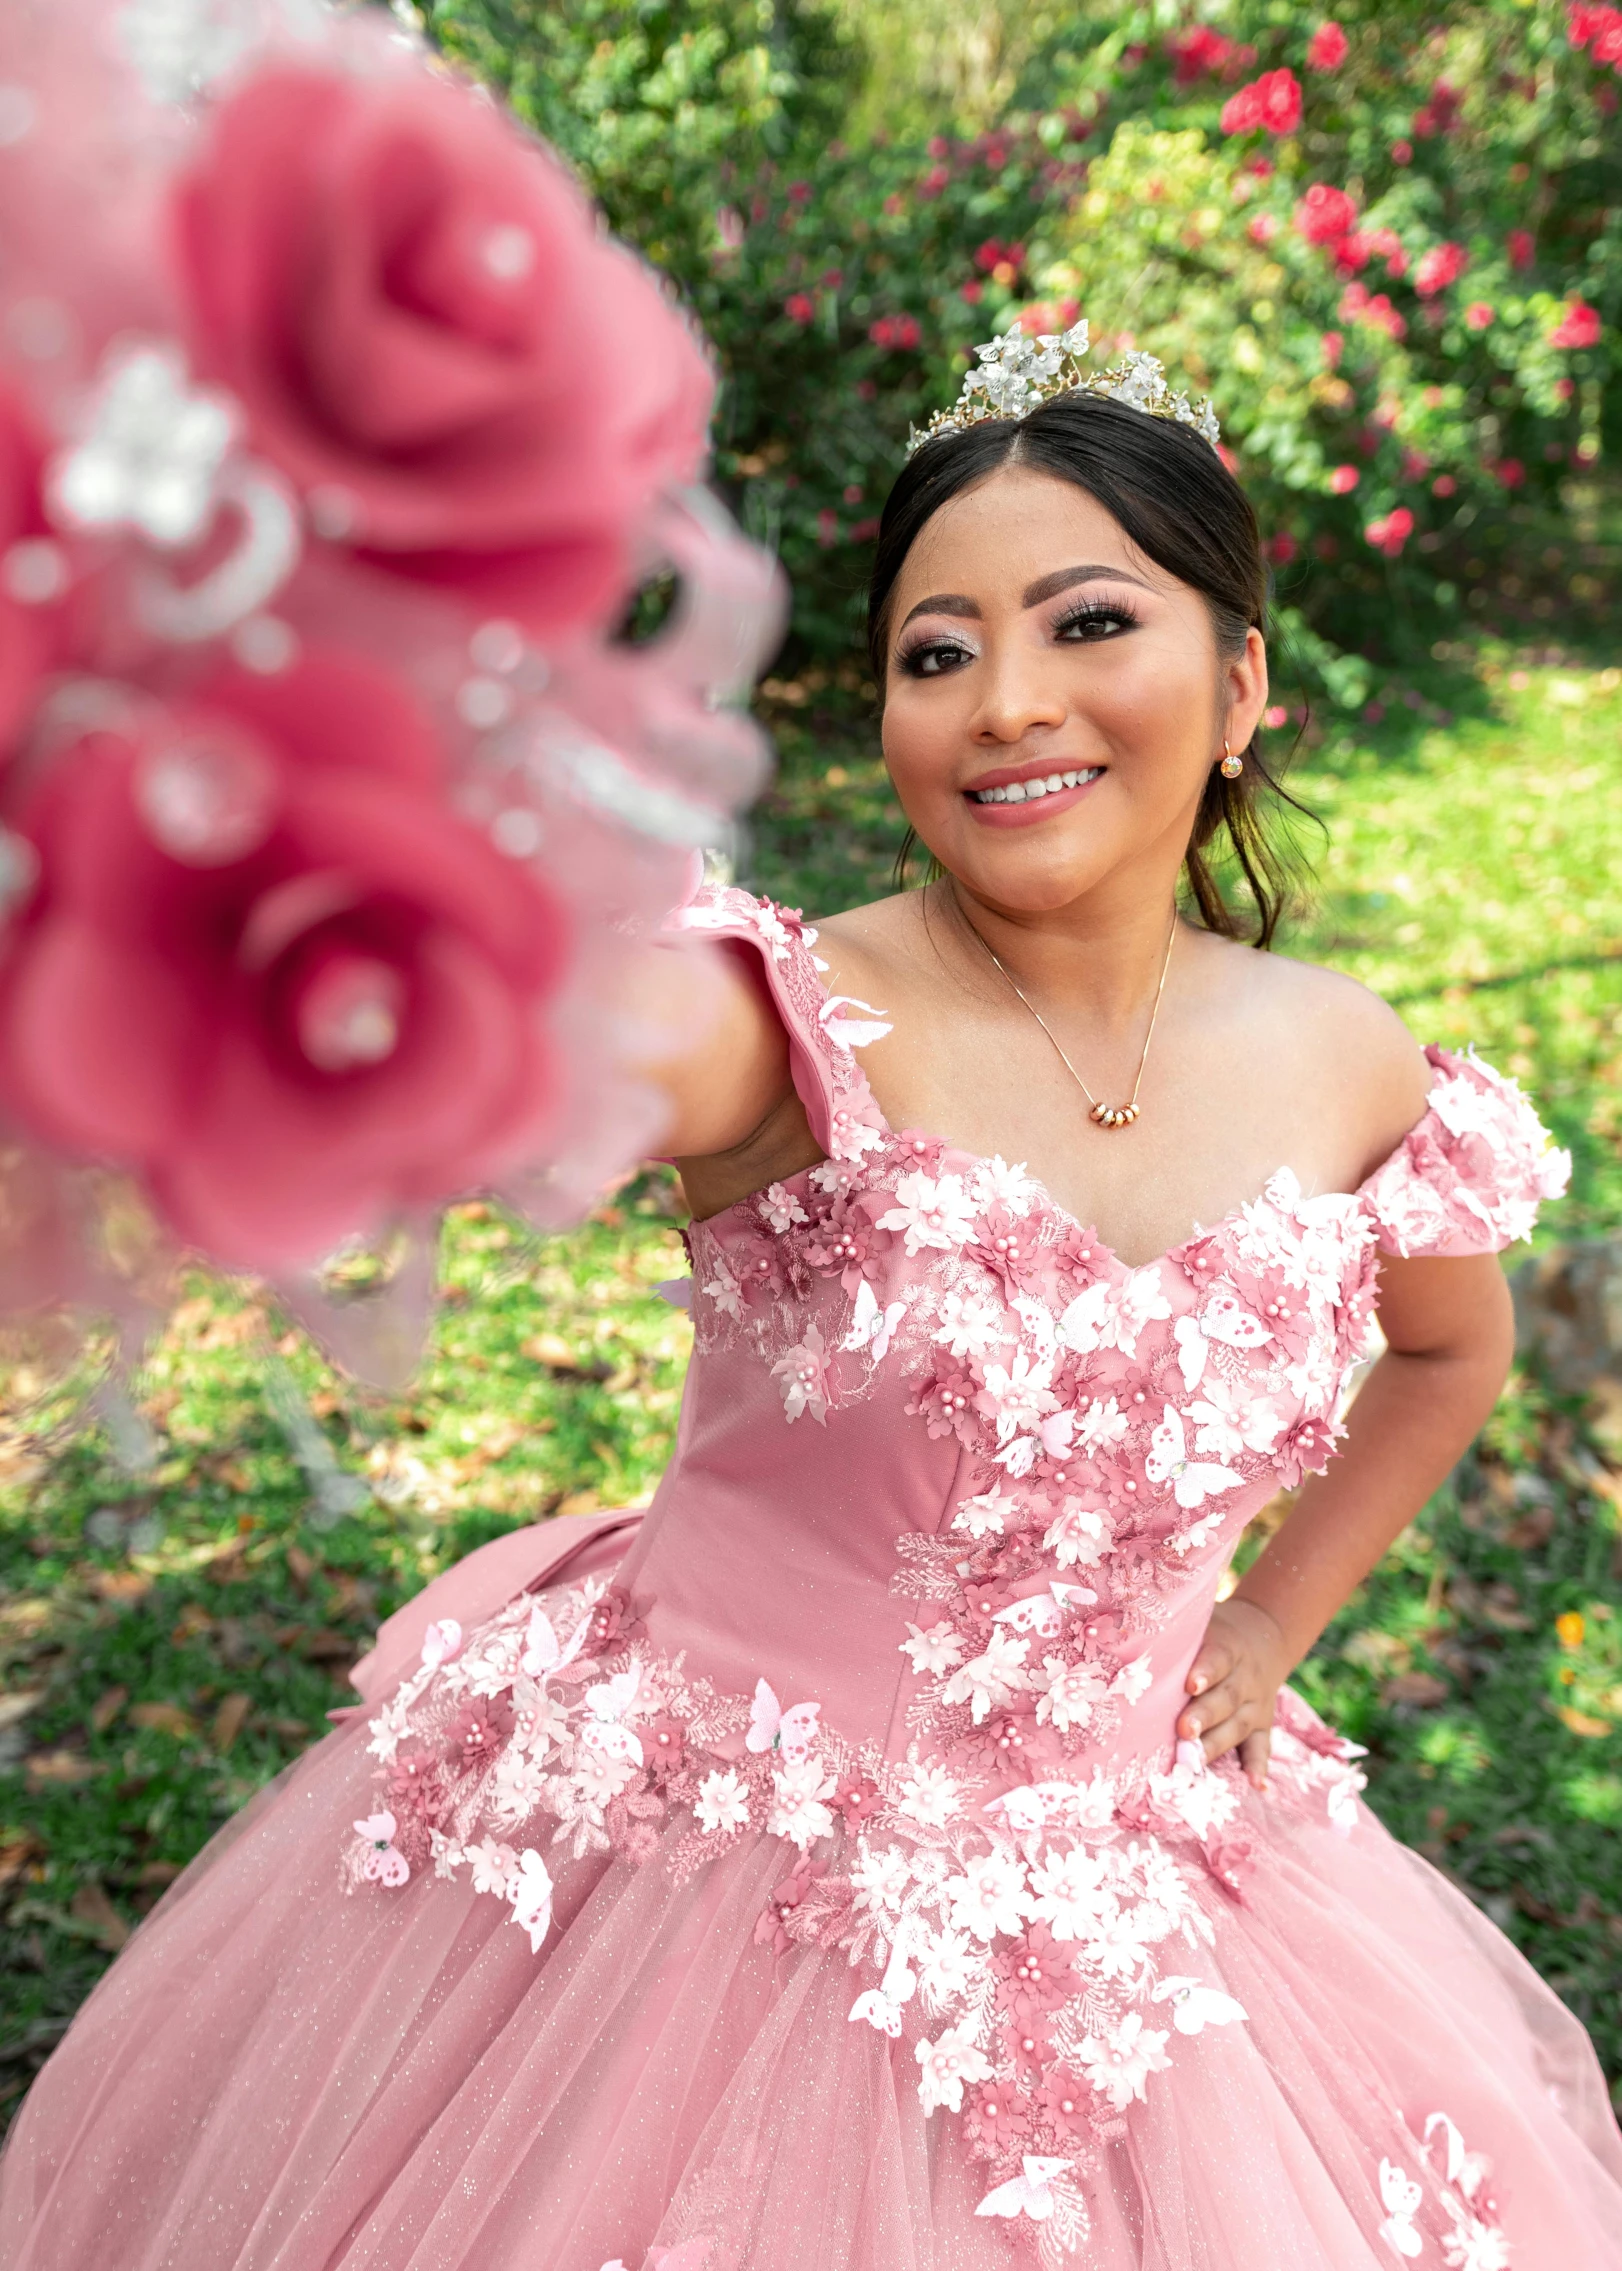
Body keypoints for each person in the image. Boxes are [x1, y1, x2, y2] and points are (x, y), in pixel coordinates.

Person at [2, 335, 1618, 2271]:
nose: (1006, 702)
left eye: (1085, 620)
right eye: (935, 653)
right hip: (695, 1897)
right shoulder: (772, 1012)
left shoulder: (1348, 1060)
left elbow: (1447, 1350)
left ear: (1241, 680)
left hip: (1153, 1917)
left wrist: (1273, 1614)